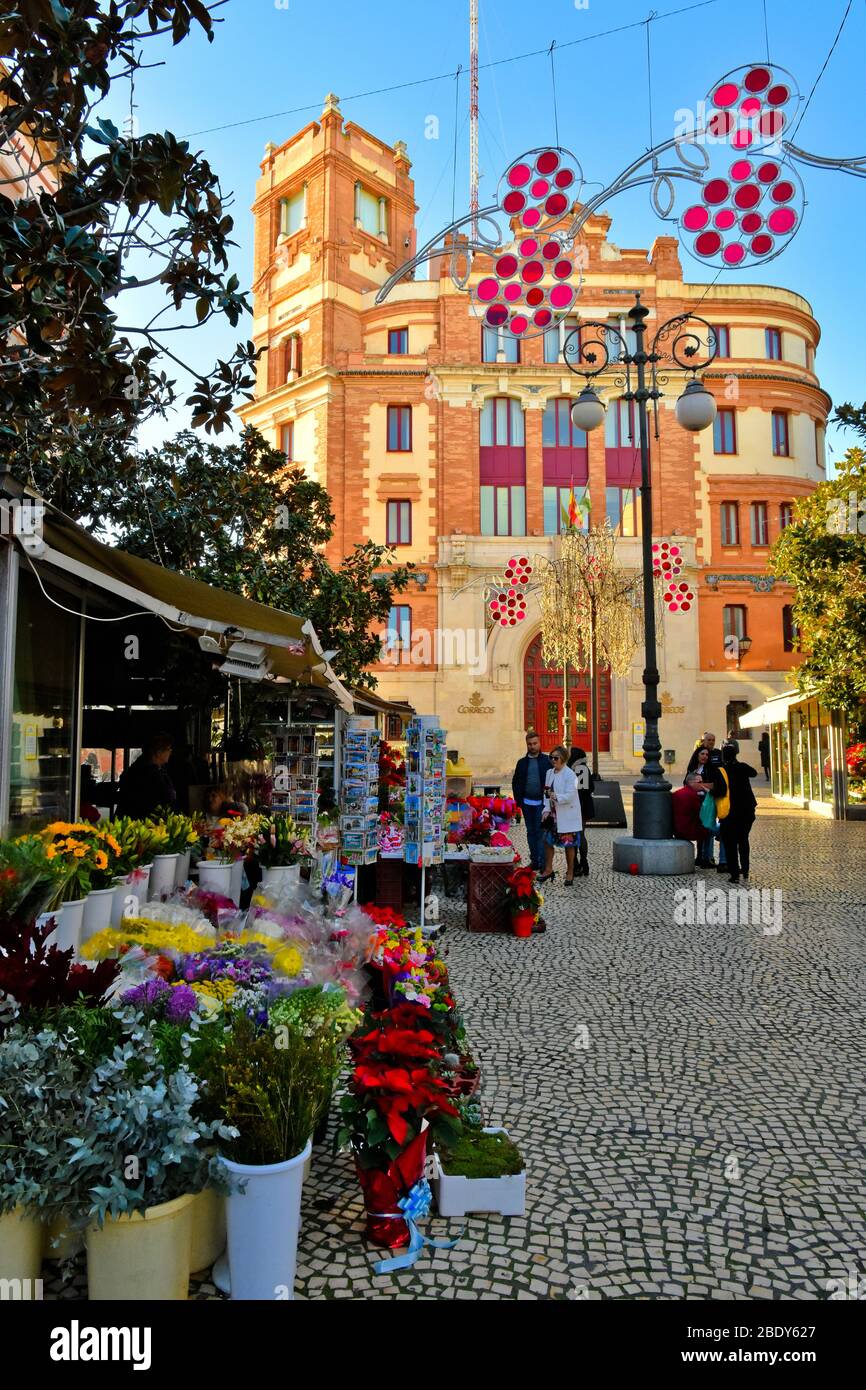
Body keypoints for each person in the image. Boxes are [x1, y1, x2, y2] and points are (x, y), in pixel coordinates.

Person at [711, 740, 758, 884]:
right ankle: (746, 869)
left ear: (724, 757)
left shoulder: (721, 771)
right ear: (736, 755)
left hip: (730, 812)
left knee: (730, 843)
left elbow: (718, 791)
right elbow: (754, 773)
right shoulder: (743, 767)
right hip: (746, 810)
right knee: (743, 840)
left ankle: (734, 874)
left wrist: (710, 792)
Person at [538, 745, 583, 886]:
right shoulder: (549, 773)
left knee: (569, 845)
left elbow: (570, 795)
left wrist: (556, 796)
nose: (553, 760)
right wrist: (545, 810)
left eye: (556, 758)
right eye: (551, 757)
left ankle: (570, 872)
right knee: (547, 841)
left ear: (563, 759)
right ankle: (548, 869)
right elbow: (546, 793)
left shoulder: (571, 775)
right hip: (553, 815)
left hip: (567, 815)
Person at [512, 731, 552, 874]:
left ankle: (542, 863)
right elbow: (516, 782)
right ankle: (534, 860)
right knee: (531, 832)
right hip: (527, 804)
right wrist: (519, 801)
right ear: (526, 745)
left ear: (539, 743)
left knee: (541, 833)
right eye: (530, 744)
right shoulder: (521, 763)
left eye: (535, 743)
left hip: (542, 804)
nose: (532, 746)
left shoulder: (547, 761)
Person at [115, 733, 176, 819]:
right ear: (158, 753)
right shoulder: (147, 772)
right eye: (168, 749)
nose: (170, 752)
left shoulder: (149, 767)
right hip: (140, 824)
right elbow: (167, 797)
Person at [568, 747, 596, 877]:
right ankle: (584, 863)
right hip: (584, 806)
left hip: (575, 806)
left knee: (572, 836)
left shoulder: (573, 769)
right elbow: (591, 787)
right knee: (581, 834)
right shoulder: (585, 768)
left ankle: (575, 865)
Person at [672, 779, 710, 866]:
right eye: (699, 782)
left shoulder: (677, 793)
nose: (702, 784)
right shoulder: (693, 795)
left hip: (676, 829)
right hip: (686, 830)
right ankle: (706, 858)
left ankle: (702, 856)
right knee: (711, 830)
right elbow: (700, 815)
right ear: (692, 783)